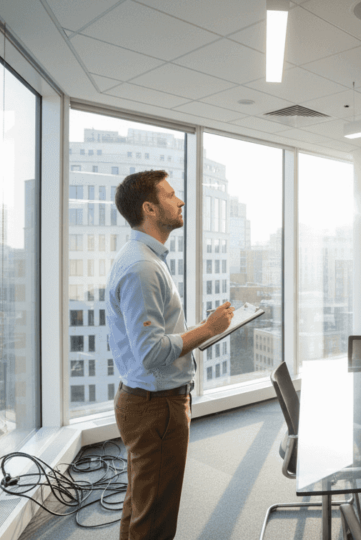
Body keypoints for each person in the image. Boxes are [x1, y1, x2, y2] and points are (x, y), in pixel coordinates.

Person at [107, 170, 234, 540]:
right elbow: (150, 352)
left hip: (146, 401)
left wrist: (201, 328)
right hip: (156, 408)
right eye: (170, 195)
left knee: (140, 506)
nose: (179, 202)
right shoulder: (143, 266)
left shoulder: (143, 257)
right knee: (155, 520)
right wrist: (207, 329)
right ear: (149, 208)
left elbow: (155, 336)